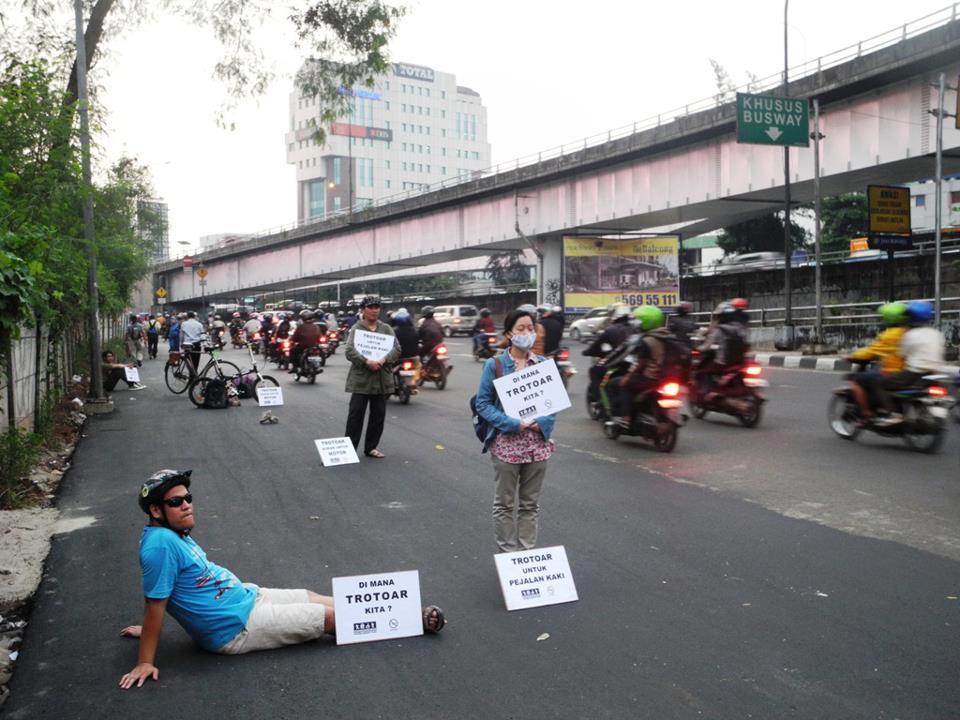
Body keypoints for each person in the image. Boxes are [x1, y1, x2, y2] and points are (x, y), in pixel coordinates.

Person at [119, 470, 445, 689]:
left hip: (247, 597)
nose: (187, 504)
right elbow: (155, 602)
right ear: (156, 511)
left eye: (188, 497)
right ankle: (413, 621)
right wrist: (145, 661)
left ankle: (402, 610)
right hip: (236, 627)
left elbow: (167, 593)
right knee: (327, 618)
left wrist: (149, 630)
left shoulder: (173, 534)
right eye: (176, 502)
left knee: (316, 597)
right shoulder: (159, 545)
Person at [474, 308, 558, 553]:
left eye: (530, 328)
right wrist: (513, 423)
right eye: (520, 329)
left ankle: (526, 554)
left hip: (537, 447)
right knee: (504, 504)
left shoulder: (543, 364)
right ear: (509, 334)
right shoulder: (496, 365)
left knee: (530, 505)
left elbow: (553, 405)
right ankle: (509, 556)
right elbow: (483, 404)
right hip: (506, 447)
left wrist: (541, 423)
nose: (527, 333)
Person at [870, 300, 945, 426]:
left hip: (914, 373)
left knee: (880, 383)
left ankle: (894, 415)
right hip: (935, 373)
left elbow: (903, 355)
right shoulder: (937, 334)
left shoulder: (910, 335)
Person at [605, 305, 680, 429]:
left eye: (638, 320)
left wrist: (628, 376)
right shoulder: (670, 337)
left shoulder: (647, 340)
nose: (636, 323)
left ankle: (625, 417)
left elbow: (641, 363)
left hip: (651, 378)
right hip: (670, 378)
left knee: (618, 384)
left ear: (646, 322)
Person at [344, 296, 400, 459]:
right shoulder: (356, 328)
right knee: (355, 415)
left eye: (377, 307)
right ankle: (349, 449)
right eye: (370, 307)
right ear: (363, 310)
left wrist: (382, 360)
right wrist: (366, 361)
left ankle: (371, 447)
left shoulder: (386, 328)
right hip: (361, 380)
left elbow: (396, 349)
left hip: (381, 380)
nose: (374, 310)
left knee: (378, 416)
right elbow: (349, 351)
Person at [845, 302, 909, 420]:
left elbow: (871, 351)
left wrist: (852, 356)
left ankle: (866, 412)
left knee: (856, 380)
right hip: (905, 372)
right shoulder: (908, 332)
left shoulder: (888, 335)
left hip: (891, 371)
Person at [582, 304, 633, 403]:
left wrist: (587, 352)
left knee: (594, 370)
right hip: (634, 363)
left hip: (619, 362)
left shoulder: (611, 329)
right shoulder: (636, 328)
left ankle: (599, 399)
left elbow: (596, 345)